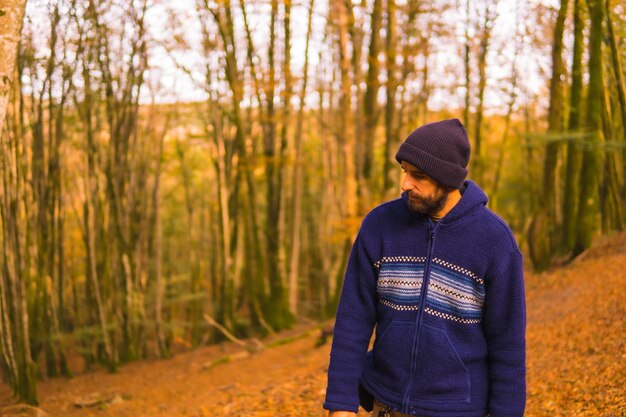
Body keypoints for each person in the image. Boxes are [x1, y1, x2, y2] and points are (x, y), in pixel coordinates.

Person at [323, 119, 526, 417]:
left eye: (417, 176)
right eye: (405, 172)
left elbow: (508, 348)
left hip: (458, 410)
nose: (405, 184)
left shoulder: (494, 241)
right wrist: (341, 404)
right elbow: (353, 320)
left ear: (447, 179)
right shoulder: (379, 225)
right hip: (384, 405)